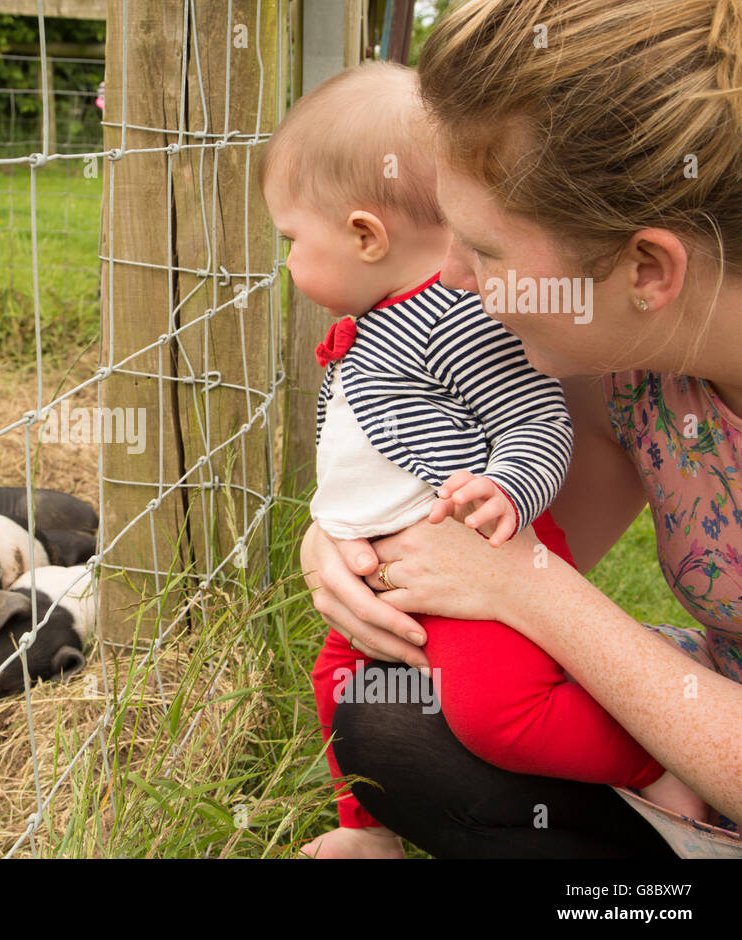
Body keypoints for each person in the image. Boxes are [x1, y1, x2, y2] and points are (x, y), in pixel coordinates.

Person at [300, 0, 742, 857]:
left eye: (486, 252)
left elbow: (520, 575)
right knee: (394, 718)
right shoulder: (640, 380)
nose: (452, 280)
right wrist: (359, 544)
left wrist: (531, 586)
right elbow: (483, 539)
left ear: (646, 267)